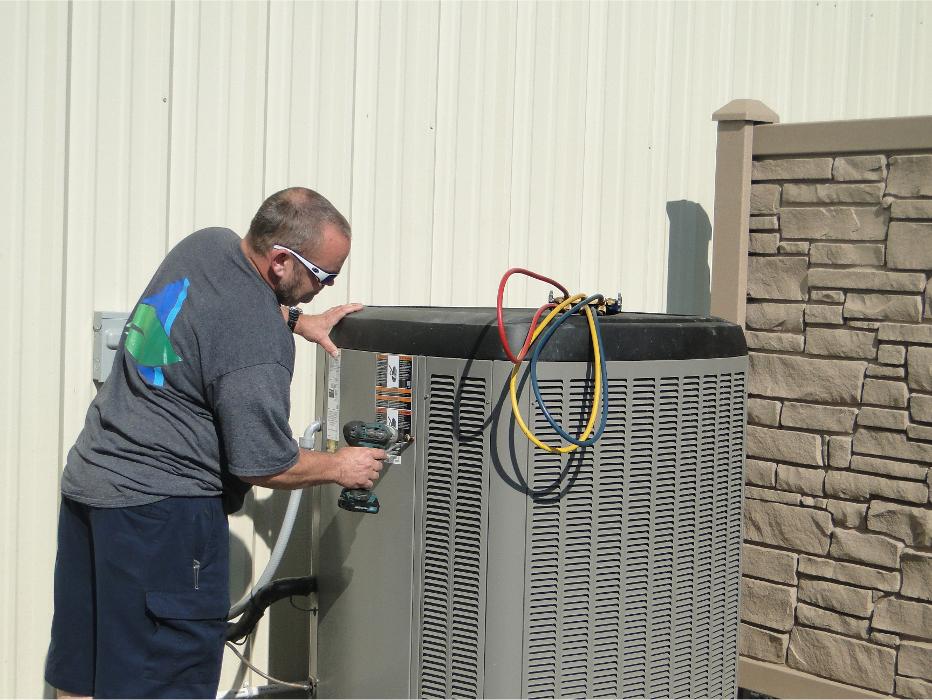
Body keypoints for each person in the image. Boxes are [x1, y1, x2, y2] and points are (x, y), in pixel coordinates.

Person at [45, 187, 386, 698]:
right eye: (322, 275)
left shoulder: (207, 245)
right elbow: (261, 462)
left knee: (85, 670)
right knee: (164, 682)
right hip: (161, 519)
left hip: (92, 488)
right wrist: (340, 467)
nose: (327, 287)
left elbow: (219, 309)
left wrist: (296, 319)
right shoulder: (256, 345)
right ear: (279, 261)